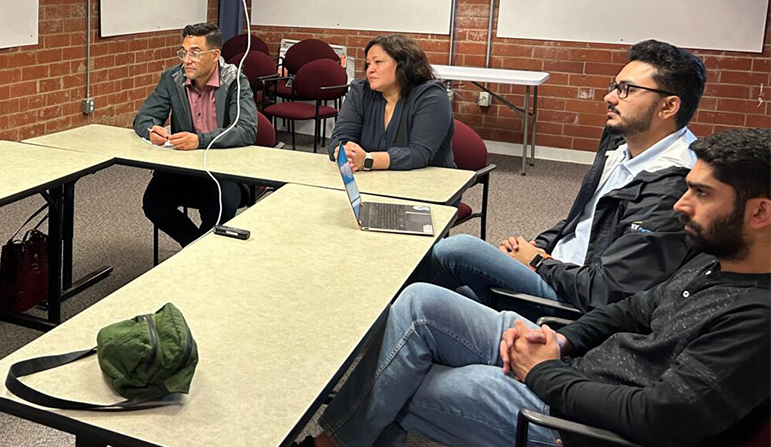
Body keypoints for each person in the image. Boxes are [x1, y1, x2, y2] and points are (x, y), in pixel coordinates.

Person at [302, 127, 770, 447]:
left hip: (577, 422)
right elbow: (630, 311)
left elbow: (659, 418)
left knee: (404, 379)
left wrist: (543, 372)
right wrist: (561, 339)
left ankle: (335, 440)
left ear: (760, 213)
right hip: (569, 363)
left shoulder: (756, 320)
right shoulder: (715, 258)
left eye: (702, 194)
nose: (682, 205)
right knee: (420, 303)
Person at [431, 40, 708, 313]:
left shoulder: (675, 185)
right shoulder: (622, 148)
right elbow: (579, 222)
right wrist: (535, 246)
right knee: (434, 295)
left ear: (668, 107)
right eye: (614, 87)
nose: (609, 97)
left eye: (626, 90)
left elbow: (606, 290)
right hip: (556, 270)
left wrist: (539, 262)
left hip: (571, 300)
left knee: (456, 251)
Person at [133, 22, 257, 247]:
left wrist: (200, 141)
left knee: (218, 207)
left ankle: (198, 256)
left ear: (215, 55)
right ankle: (195, 249)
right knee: (153, 202)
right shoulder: (172, 78)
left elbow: (246, 130)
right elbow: (143, 118)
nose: (186, 60)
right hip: (185, 168)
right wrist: (152, 130)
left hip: (225, 172)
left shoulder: (235, 80)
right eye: (184, 52)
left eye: (195, 53)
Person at [327, 34, 454, 171]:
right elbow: (340, 138)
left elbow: (419, 154)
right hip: (373, 180)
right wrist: (344, 152)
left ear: (403, 65)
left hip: (427, 183)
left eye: (378, 62)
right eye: (368, 63)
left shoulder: (431, 96)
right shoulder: (360, 92)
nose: (370, 69)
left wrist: (368, 159)